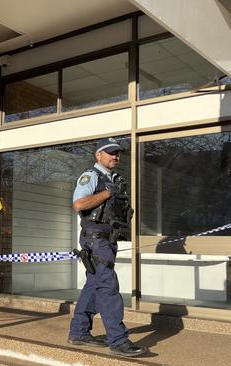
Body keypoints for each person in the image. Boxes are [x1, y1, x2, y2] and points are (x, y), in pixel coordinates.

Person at [68, 137, 148, 357]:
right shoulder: (92, 176)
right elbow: (79, 204)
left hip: (107, 241)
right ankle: (118, 340)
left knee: (94, 285)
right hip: (95, 241)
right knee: (108, 287)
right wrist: (107, 193)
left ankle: (79, 332)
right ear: (98, 155)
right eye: (110, 152)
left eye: (117, 153)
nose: (115, 156)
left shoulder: (116, 180)